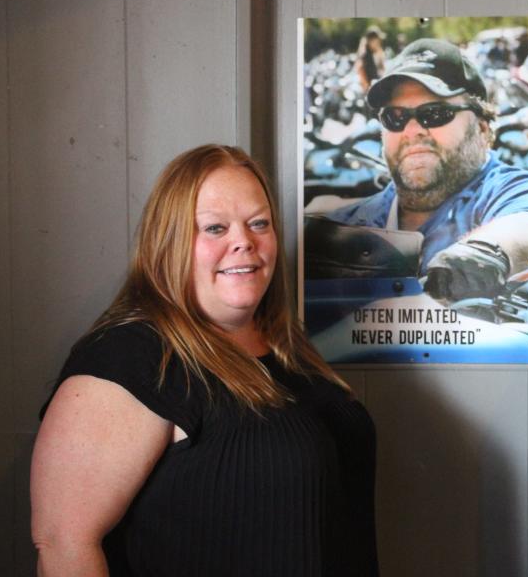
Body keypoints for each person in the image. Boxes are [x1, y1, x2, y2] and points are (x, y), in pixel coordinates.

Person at [31, 145, 378, 576]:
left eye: (259, 224)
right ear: (169, 242)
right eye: (215, 228)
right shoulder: (133, 357)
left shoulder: (286, 347)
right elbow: (65, 544)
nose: (243, 242)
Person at [323, 37, 528, 301]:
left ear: (481, 128)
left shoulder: (517, 191)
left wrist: (483, 256)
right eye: (394, 118)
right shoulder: (351, 222)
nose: (411, 131)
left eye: (434, 114)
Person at [355, 26, 386, 92]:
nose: (378, 43)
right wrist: (367, 88)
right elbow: (360, 71)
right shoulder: (365, 55)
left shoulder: (377, 53)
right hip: (370, 91)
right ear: (370, 41)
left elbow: (382, 69)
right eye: (376, 41)